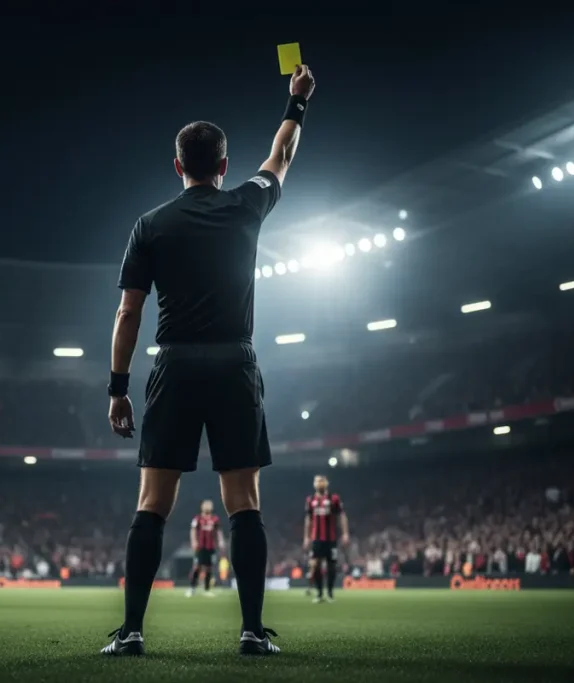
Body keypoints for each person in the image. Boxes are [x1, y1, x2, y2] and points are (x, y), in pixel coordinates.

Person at [101, 64, 316, 656]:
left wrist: (118, 388)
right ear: (223, 166)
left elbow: (127, 315)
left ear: (178, 166)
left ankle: (133, 631)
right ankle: (251, 630)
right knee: (242, 500)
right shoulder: (247, 204)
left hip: (173, 364)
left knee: (153, 502)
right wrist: (296, 102)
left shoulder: (150, 225)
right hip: (234, 365)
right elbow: (282, 155)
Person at [303, 474, 349, 602]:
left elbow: (342, 516)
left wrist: (345, 533)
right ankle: (319, 593)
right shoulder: (310, 500)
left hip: (331, 539)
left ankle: (329, 592)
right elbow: (308, 519)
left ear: (327, 483)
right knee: (316, 565)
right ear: (314, 484)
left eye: (322, 481)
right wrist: (306, 537)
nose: (320, 483)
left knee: (331, 566)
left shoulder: (334, 499)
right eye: (317, 481)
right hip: (316, 539)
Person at [186, 500, 225, 598]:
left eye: (209, 506)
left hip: (211, 547)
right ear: (202, 507)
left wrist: (221, 541)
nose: (207, 507)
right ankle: (192, 588)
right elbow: (193, 530)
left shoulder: (215, 519)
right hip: (200, 547)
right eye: (206, 506)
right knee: (197, 567)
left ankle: (207, 589)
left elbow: (219, 532)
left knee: (209, 568)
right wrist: (194, 541)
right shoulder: (198, 519)